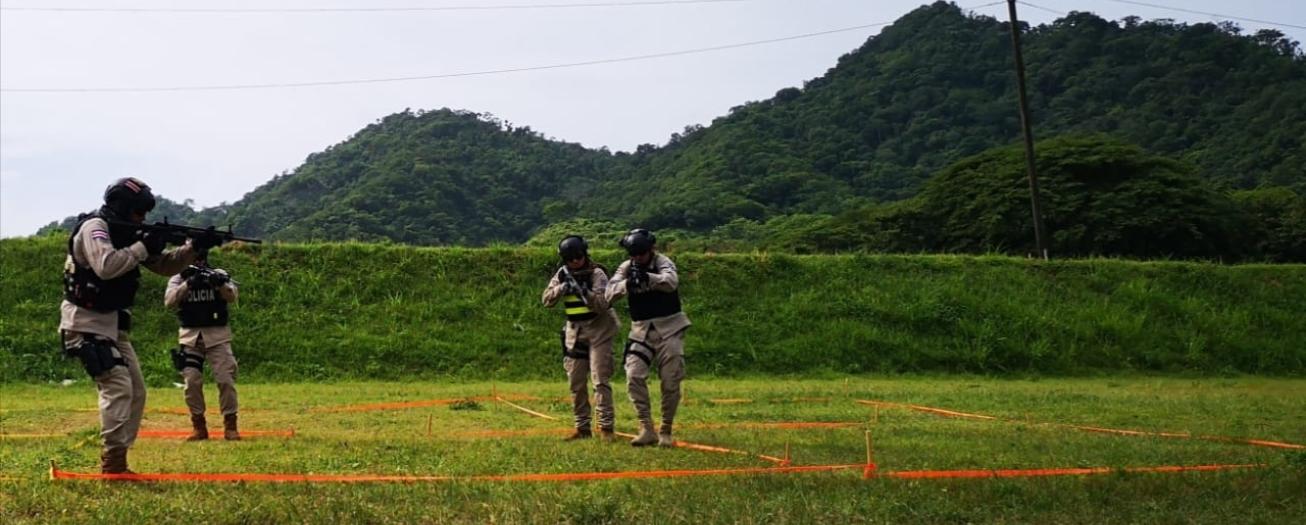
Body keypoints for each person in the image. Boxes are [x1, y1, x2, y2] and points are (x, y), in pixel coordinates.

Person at [59, 177, 216, 473]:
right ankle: (113, 462)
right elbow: (106, 266)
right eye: (138, 211)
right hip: (84, 322)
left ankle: (118, 455)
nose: (141, 218)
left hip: (113, 324)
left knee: (136, 391)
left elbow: (165, 266)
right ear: (121, 206)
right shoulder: (95, 227)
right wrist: (142, 246)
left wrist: (194, 248)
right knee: (118, 386)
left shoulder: (127, 233)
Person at [606, 228, 690, 447]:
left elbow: (671, 282)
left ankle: (666, 430)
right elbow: (608, 292)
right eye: (633, 254)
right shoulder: (626, 267)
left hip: (669, 328)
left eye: (641, 253)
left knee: (671, 380)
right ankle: (646, 427)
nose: (637, 258)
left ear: (651, 249)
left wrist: (648, 278)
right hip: (641, 331)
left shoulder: (663, 262)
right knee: (633, 375)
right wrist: (627, 284)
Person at [541, 236, 621, 441]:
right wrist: (562, 288)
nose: (575, 261)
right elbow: (546, 300)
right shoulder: (562, 274)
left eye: (578, 256)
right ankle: (582, 428)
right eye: (570, 258)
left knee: (600, 380)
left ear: (585, 254)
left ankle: (606, 428)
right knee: (576, 381)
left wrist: (584, 292)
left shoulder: (597, 273)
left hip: (599, 330)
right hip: (575, 332)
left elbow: (603, 304)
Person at [165, 252, 240, 441]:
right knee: (191, 381)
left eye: (200, 258)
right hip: (190, 338)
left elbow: (232, 296)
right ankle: (198, 426)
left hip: (217, 336)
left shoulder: (218, 273)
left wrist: (219, 283)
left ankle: (230, 425)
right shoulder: (179, 277)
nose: (198, 262)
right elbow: (169, 301)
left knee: (225, 379)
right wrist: (188, 284)